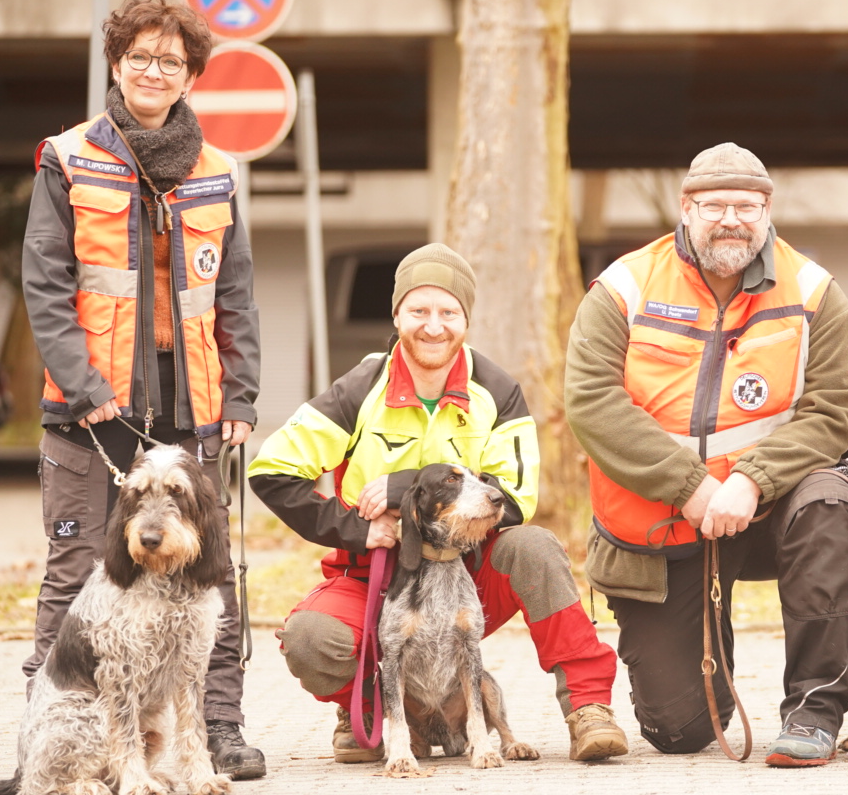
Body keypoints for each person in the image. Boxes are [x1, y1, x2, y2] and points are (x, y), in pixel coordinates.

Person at [247, 244, 629, 763]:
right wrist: (357, 530)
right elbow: (270, 470)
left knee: (535, 547)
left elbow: (515, 497)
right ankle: (366, 707)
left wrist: (405, 489)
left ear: (467, 319)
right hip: (375, 580)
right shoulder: (359, 388)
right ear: (397, 314)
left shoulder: (496, 389)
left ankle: (588, 708)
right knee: (310, 638)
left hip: (468, 574)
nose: (433, 326)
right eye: (419, 311)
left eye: (449, 313)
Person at [565, 143, 848, 767]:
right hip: (665, 522)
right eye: (715, 205)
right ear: (686, 208)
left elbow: (834, 408)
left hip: (770, 509)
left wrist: (753, 480)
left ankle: (814, 710)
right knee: (678, 730)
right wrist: (691, 487)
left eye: (747, 206)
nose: (732, 219)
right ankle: (710, 675)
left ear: (766, 211)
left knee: (832, 503)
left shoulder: (813, 290)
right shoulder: (625, 286)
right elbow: (591, 400)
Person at [21, 0, 265, 778]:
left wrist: (241, 396)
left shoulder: (218, 172)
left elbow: (236, 295)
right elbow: (45, 285)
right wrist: (83, 383)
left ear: (191, 75)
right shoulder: (69, 157)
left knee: (207, 570)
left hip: (191, 399)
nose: (153, 71)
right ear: (116, 65)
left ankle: (216, 729)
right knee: (76, 569)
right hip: (90, 407)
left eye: (170, 60)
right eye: (139, 57)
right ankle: (48, 733)